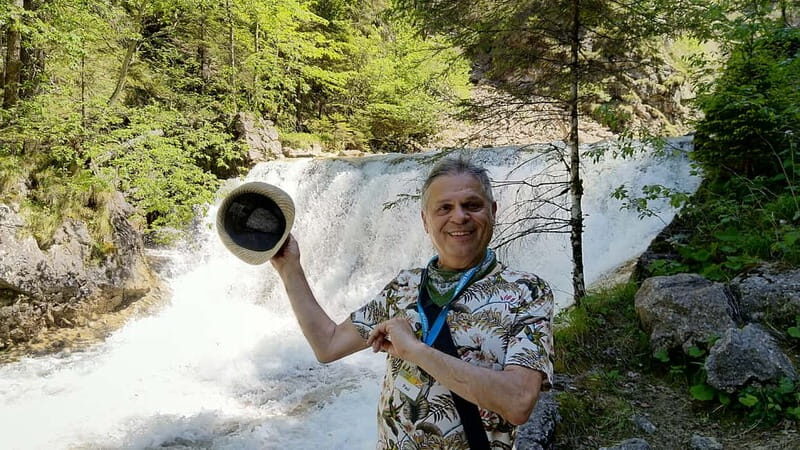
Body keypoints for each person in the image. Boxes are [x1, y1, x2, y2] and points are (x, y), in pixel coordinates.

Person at [270, 157, 554, 449]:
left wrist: (416, 351)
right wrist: (289, 267)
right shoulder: (405, 286)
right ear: (425, 221)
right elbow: (327, 345)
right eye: (444, 208)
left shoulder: (526, 291)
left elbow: (518, 401)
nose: (459, 217)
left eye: (472, 205)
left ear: (493, 212)